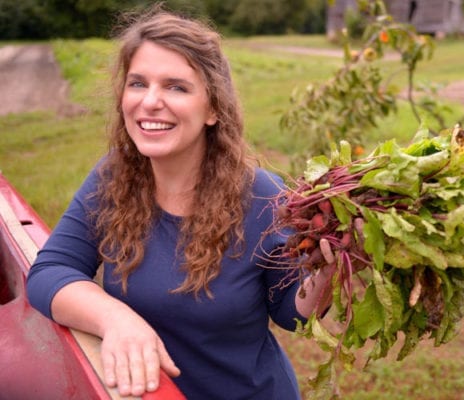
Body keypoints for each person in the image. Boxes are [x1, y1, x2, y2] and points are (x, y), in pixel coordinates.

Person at [26, 9, 331, 400]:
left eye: (176, 87)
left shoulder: (262, 195)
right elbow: (51, 271)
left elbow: (290, 313)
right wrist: (116, 318)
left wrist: (329, 272)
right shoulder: (113, 178)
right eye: (138, 83)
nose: (150, 102)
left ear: (213, 109)